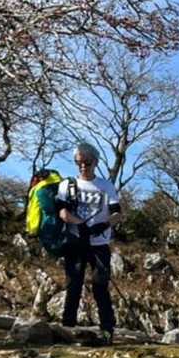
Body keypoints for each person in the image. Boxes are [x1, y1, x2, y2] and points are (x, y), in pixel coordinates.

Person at [56, 142, 121, 343]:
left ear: (95, 162)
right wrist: (79, 224)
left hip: (99, 244)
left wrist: (103, 225)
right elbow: (62, 211)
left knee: (100, 286)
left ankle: (107, 330)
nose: (83, 166)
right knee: (73, 285)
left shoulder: (106, 186)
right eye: (79, 162)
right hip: (75, 243)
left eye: (87, 162)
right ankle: (67, 327)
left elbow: (117, 213)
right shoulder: (67, 185)